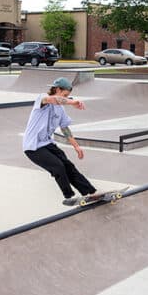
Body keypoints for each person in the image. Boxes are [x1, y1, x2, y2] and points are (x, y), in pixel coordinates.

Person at [22, 77, 99, 205]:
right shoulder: (42, 98)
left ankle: (90, 192)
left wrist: (77, 147)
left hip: (48, 144)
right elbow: (54, 100)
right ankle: (69, 197)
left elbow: (65, 129)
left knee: (69, 166)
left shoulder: (61, 110)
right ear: (57, 89)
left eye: (68, 96)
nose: (67, 98)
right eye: (65, 95)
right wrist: (72, 102)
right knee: (58, 166)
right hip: (33, 147)